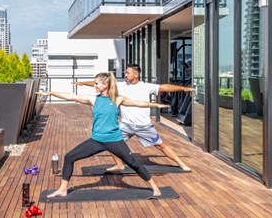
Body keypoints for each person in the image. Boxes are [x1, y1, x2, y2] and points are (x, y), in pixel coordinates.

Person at [40, 72, 168, 199]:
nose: (95, 86)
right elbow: (71, 96)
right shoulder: (93, 99)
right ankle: (63, 189)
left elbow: (139, 103)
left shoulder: (118, 99)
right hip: (96, 141)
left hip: (115, 140)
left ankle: (154, 186)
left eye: (96, 83)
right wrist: (51, 93)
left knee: (133, 163)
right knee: (69, 157)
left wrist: (156, 105)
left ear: (105, 85)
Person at [77, 63, 193, 173]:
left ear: (136, 74)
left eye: (128, 73)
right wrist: (83, 83)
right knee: (110, 142)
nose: (125, 75)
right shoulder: (121, 86)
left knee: (160, 145)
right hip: (126, 125)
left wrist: (183, 88)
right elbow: (100, 83)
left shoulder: (146, 87)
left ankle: (181, 163)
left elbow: (164, 87)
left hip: (144, 126)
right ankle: (119, 164)